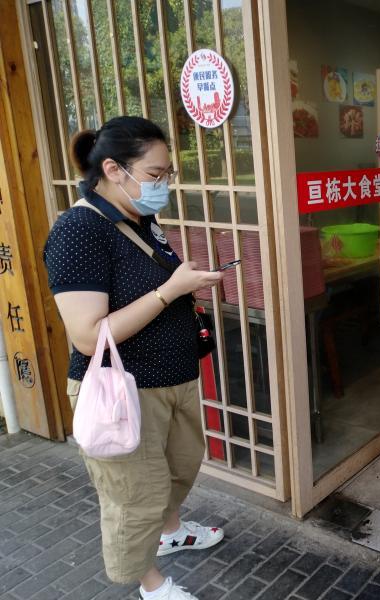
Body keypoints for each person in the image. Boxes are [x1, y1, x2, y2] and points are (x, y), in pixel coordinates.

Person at [43, 116, 225, 600]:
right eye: (156, 175)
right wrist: (171, 291)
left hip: (173, 380)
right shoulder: (78, 231)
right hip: (122, 391)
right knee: (134, 499)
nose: (165, 184)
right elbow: (88, 336)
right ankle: (150, 584)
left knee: (181, 469)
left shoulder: (139, 219)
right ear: (113, 169)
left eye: (168, 175)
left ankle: (169, 535)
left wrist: (185, 286)